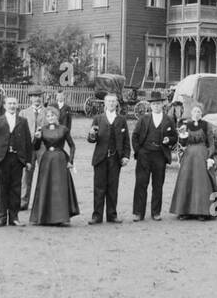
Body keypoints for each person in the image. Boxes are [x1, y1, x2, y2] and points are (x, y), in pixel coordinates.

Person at [0, 95, 31, 227]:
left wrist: (28, 160)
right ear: (4, 105)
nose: (12, 106)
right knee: (2, 189)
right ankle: (1, 217)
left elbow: (27, 142)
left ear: (17, 105)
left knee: (16, 189)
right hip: (1, 158)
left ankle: (14, 217)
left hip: (17, 158)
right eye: (9, 103)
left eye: (14, 103)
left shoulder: (23, 121)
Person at [29, 105, 80, 226]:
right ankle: (44, 216)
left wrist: (70, 161)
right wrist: (36, 139)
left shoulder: (63, 129)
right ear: (45, 117)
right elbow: (35, 147)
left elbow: (72, 146)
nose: (50, 118)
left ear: (57, 116)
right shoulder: (42, 129)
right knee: (46, 186)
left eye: (52, 115)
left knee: (59, 188)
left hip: (60, 160)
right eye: (48, 116)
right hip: (47, 160)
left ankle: (60, 217)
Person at [169, 103, 217, 219]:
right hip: (189, 157)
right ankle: (185, 211)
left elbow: (211, 143)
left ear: (202, 114)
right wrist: (182, 135)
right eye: (194, 111)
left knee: (201, 183)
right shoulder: (186, 125)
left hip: (202, 155)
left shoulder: (206, 125)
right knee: (187, 181)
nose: (196, 114)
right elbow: (182, 144)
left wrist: (210, 157)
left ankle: (202, 212)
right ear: (191, 113)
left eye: (198, 112)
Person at [87, 93, 131, 224]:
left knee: (113, 187)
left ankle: (112, 215)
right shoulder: (98, 118)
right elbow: (90, 139)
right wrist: (92, 135)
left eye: (113, 101)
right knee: (99, 187)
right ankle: (97, 216)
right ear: (104, 103)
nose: (111, 104)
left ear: (117, 103)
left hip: (115, 159)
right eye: (109, 101)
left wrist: (126, 156)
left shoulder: (121, 119)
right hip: (100, 158)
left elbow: (126, 141)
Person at [131, 95, 175, 221]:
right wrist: (138, 151)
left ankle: (156, 212)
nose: (156, 106)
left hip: (160, 155)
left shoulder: (168, 119)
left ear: (162, 105)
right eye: (154, 104)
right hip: (144, 155)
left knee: (158, 185)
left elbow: (174, 136)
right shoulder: (144, 119)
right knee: (141, 183)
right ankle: (139, 212)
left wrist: (169, 140)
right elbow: (135, 136)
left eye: (158, 104)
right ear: (150, 106)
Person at [18, 88, 48, 211]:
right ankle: (23, 201)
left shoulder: (48, 112)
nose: (37, 99)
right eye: (34, 96)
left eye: (39, 96)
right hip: (28, 148)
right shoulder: (23, 113)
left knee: (44, 174)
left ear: (42, 97)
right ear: (30, 98)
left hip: (43, 147)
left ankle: (42, 202)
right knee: (26, 175)